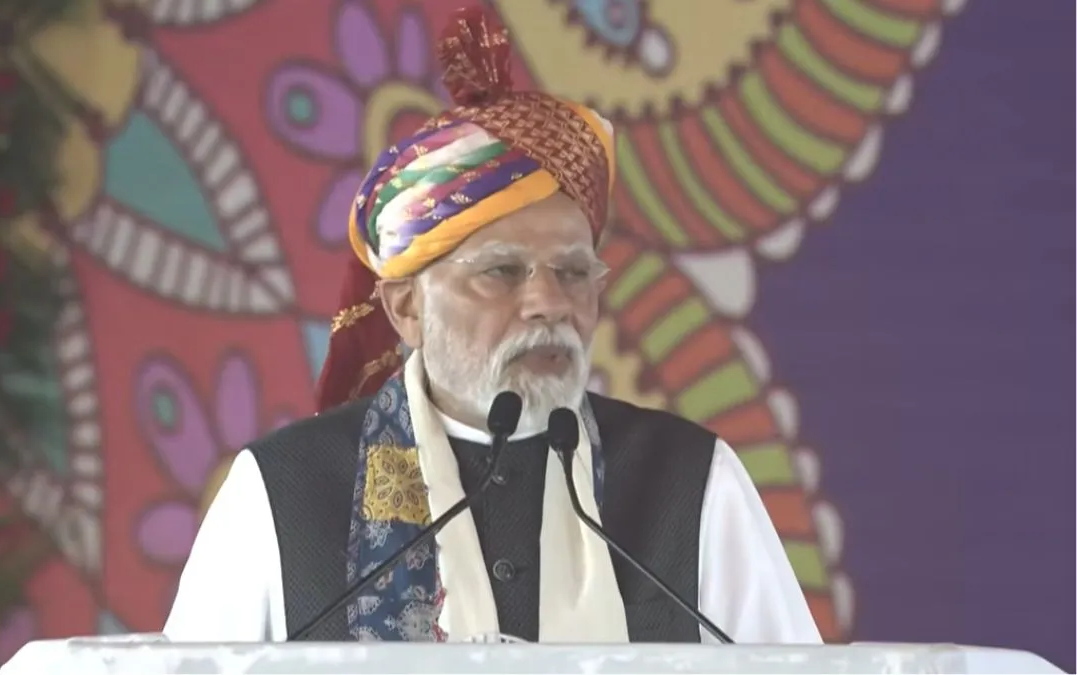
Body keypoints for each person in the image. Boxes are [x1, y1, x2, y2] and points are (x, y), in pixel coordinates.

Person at [163, 6, 821, 645]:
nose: (547, 303)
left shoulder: (690, 479)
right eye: (503, 272)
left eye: (570, 272)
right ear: (406, 308)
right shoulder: (284, 492)